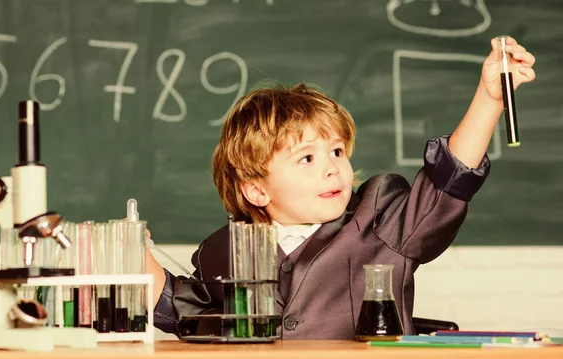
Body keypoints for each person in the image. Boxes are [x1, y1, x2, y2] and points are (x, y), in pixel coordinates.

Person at [148, 36, 536, 339]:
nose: (333, 169)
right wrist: (137, 255)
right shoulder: (222, 250)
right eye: (307, 158)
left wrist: (489, 100)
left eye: (336, 151)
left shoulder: (380, 219)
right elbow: (183, 311)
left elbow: (447, 182)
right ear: (257, 191)